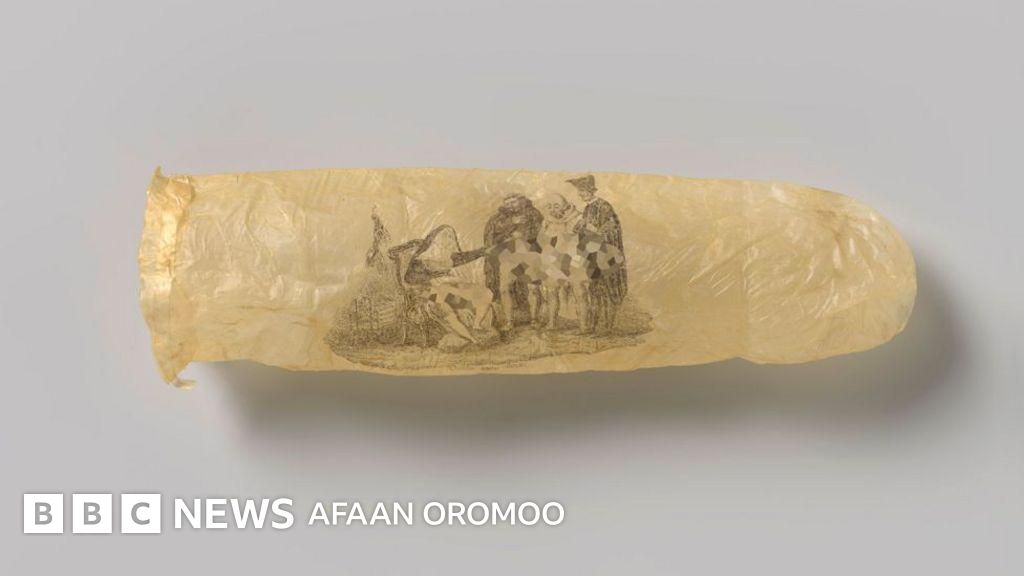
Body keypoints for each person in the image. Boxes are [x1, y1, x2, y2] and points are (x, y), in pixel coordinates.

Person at [565, 174, 628, 330]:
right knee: (594, 290)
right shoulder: (587, 208)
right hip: (591, 255)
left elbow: (613, 228)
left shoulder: (604, 206)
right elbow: (582, 229)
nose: (580, 194)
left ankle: (606, 326)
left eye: (583, 191)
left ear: (591, 190)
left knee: (606, 290)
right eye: (579, 191)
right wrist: (579, 227)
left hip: (604, 255)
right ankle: (595, 325)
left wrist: (595, 231)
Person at [482, 193, 544, 328]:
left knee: (533, 288)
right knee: (504, 288)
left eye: (513, 202)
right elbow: (492, 236)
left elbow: (540, 232)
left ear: (521, 201)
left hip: (529, 254)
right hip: (508, 256)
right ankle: (509, 321)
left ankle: (534, 319)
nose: (510, 205)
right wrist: (511, 226)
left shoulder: (533, 213)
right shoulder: (499, 218)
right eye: (507, 203)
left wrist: (523, 235)